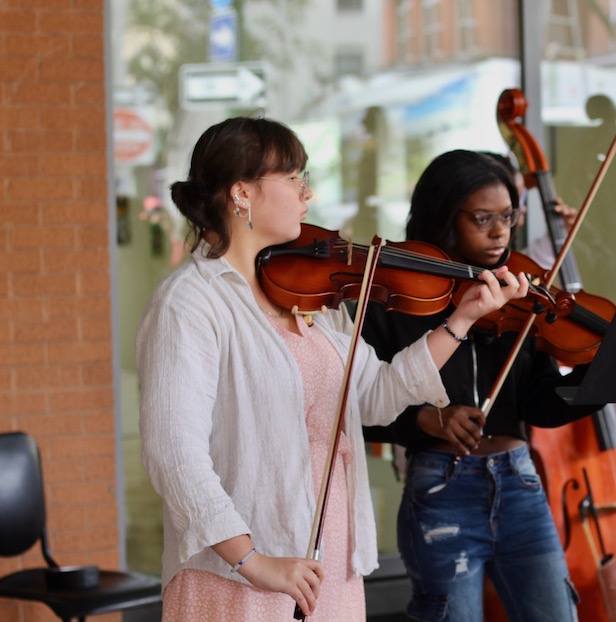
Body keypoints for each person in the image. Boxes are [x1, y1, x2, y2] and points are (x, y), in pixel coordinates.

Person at [136, 118, 528, 622]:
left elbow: (378, 395)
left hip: (327, 562)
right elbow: (173, 454)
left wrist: (463, 317)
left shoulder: (309, 298)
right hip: (240, 574)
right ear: (242, 193)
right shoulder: (190, 303)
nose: (309, 192)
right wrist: (255, 562)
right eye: (294, 178)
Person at [362, 149, 600, 622]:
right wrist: (427, 418)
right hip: (442, 488)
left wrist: (602, 381)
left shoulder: (520, 289)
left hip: (520, 482)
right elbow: (359, 406)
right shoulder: (396, 292)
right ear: (443, 216)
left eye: (508, 216)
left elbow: (539, 404)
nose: (499, 232)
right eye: (483, 218)